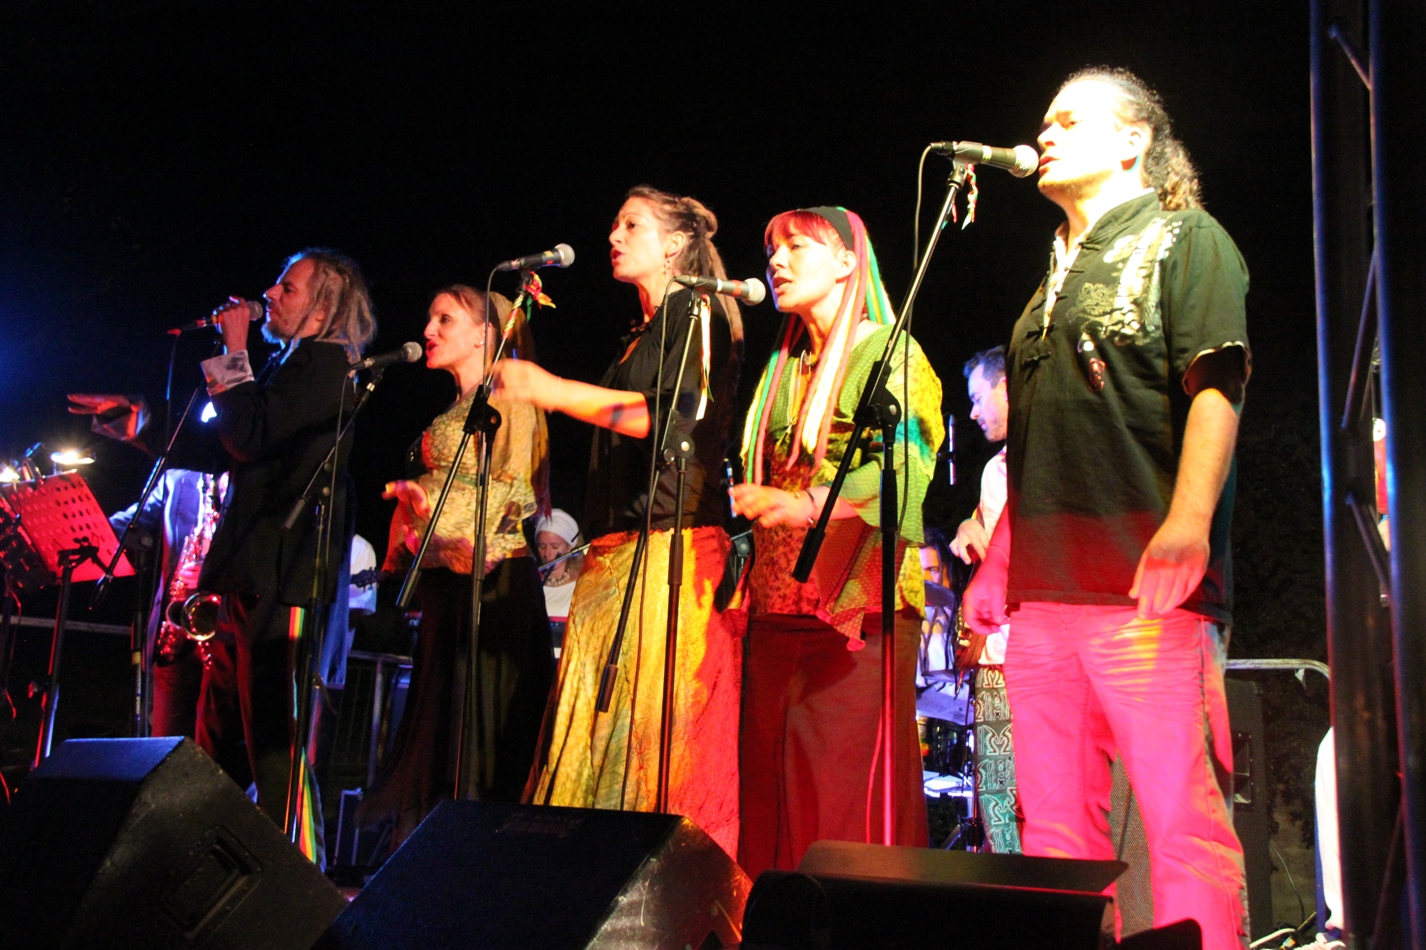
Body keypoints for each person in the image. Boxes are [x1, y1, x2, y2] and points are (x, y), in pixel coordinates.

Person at [961, 68, 1250, 949]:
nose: (1044, 133)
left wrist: (1188, 525)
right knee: (1054, 834)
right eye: (1044, 120)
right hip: (1043, 604)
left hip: (1145, 592)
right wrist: (1000, 566)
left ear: (1133, 141)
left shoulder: (1185, 238)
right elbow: (1038, 449)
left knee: (1180, 820)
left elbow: (1217, 385)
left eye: (1068, 120)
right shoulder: (1047, 283)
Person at [491, 185, 743, 857]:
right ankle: (584, 871)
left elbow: (666, 418)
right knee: (599, 727)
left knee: (650, 732)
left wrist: (551, 390)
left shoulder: (696, 310)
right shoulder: (643, 331)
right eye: (614, 224)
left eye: (632, 225)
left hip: (670, 550)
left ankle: (657, 874)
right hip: (621, 550)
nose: (614, 235)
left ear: (676, 244)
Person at [731, 206, 943, 878]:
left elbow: (907, 471)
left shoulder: (887, 353)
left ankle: (851, 923)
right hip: (777, 611)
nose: (777, 260)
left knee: (842, 803)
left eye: (797, 246)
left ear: (848, 262)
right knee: (769, 798)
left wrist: (805, 504)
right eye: (773, 248)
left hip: (857, 612)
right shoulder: (786, 368)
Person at [359, 286, 553, 847]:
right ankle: (432, 852)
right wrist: (416, 513)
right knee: (441, 727)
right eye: (430, 318)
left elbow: (511, 491)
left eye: (445, 319)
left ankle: (473, 855)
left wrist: (427, 511)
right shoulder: (457, 407)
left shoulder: (508, 399)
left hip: (490, 586)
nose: (429, 330)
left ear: (484, 334)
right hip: (449, 584)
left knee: (477, 735)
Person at [198, 248, 376, 843]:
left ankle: (297, 874)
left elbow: (250, 433)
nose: (270, 294)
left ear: (323, 308)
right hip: (252, 571)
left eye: (288, 288)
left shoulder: (327, 366)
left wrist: (234, 350)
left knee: (276, 739)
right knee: (223, 734)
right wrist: (144, 425)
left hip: (285, 576)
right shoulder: (291, 364)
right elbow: (237, 440)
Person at [948, 345, 1021, 854]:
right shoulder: (995, 469)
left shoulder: (1052, 459)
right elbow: (987, 525)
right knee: (997, 798)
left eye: (977, 398)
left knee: (1047, 796)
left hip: (1041, 654)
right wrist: (966, 526)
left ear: (1007, 387)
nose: (972, 413)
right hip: (994, 659)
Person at [535, 508, 583, 656]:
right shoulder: (531, 583)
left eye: (554, 547)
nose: (547, 553)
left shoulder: (583, 584)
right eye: (542, 546)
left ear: (570, 547)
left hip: (567, 662)